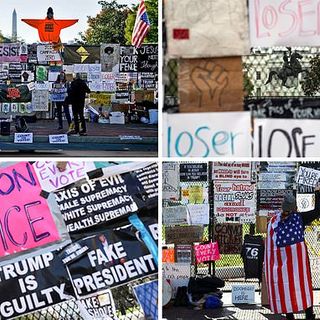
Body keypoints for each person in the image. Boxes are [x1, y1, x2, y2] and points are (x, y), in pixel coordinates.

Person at [265, 189, 320, 320]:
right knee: (303, 286)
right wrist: (318, 193)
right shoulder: (299, 218)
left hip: (280, 268)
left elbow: (269, 246)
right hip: (298, 266)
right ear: (295, 207)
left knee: (285, 289)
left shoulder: (272, 222)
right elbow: (318, 210)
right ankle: (309, 314)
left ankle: (290, 316)